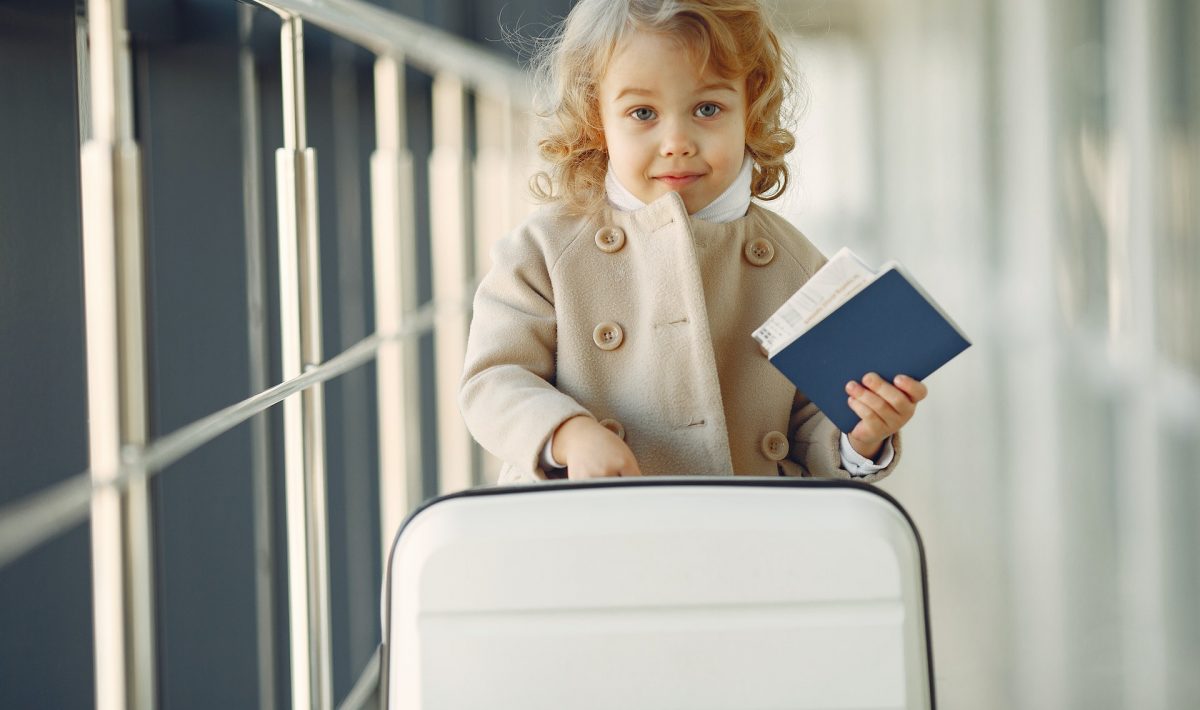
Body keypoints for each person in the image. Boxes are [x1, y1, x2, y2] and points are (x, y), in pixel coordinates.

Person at [459, 0, 928, 483]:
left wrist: (861, 433)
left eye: (707, 108)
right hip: (587, 527)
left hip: (745, 536)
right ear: (596, 118)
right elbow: (493, 381)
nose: (677, 140)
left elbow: (813, 423)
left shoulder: (799, 265)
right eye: (643, 112)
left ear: (751, 107)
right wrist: (567, 433)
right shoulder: (543, 250)